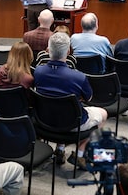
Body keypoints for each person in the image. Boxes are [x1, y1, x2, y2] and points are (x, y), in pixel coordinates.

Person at [34, 32, 108, 168]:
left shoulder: (38, 71)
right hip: (72, 123)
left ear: (48, 50)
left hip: (45, 120)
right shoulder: (78, 77)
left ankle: (60, 150)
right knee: (103, 113)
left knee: (60, 106)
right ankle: (80, 155)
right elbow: (89, 98)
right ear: (68, 51)